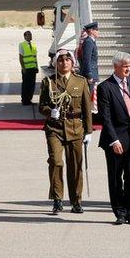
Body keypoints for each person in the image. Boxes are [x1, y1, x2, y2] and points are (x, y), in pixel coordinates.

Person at [39, 49, 93, 214]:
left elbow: (87, 108)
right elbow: (41, 106)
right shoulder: (49, 81)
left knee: (75, 165)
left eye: (67, 60)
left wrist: (89, 131)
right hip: (54, 128)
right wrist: (50, 112)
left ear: (72, 63)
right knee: (56, 161)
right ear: (56, 63)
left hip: (75, 127)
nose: (64, 63)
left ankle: (76, 200)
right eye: (61, 61)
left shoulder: (81, 82)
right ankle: (57, 199)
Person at [97, 52, 130, 225]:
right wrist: (114, 140)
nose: (128, 69)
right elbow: (106, 118)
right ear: (116, 67)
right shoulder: (105, 87)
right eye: (125, 66)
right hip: (115, 140)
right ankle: (120, 212)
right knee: (116, 178)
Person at [78, 22, 100, 91]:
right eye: (96, 30)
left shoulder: (91, 41)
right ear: (91, 31)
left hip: (93, 73)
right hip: (90, 74)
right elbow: (86, 60)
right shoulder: (89, 42)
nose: (98, 31)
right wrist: (89, 75)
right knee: (89, 96)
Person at [19, 30, 39, 105]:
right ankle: (24, 100)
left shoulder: (34, 45)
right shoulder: (22, 45)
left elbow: (35, 57)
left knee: (32, 85)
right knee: (26, 85)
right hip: (26, 68)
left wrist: (37, 66)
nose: (30, 36)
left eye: (30, 35)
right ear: (24, 36)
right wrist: (23, 68)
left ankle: (29, 99)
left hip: (33, 68)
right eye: (28, 35)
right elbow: (21, 57)